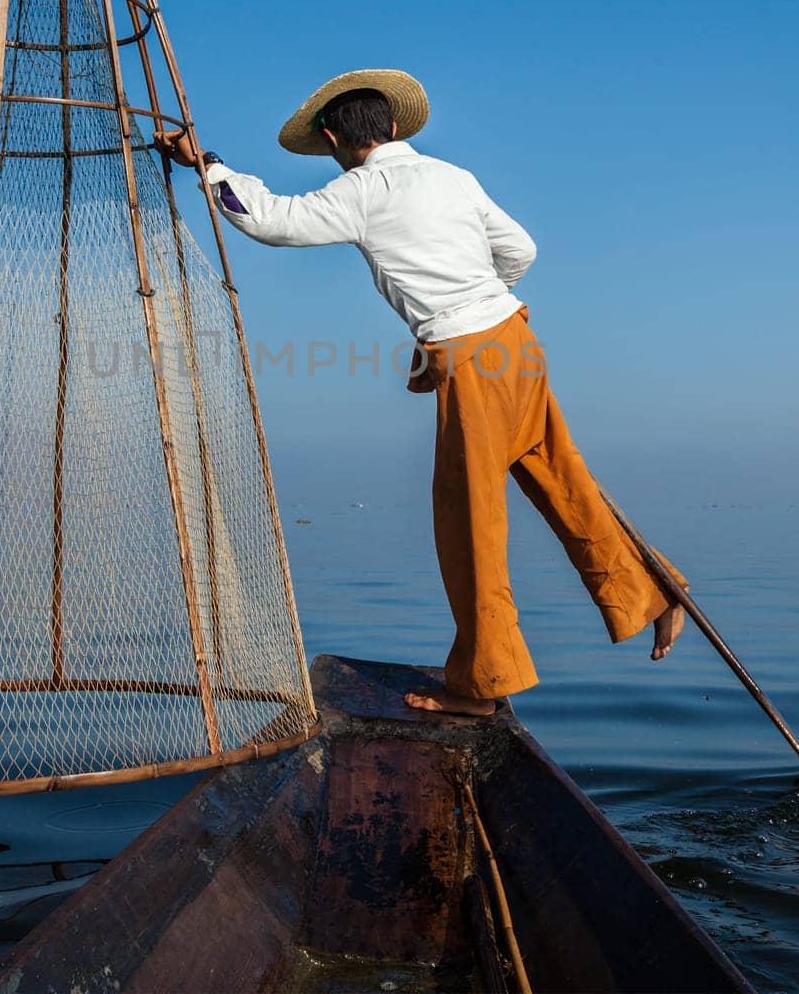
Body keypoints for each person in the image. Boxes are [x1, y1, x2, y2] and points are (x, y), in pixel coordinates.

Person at [156, 69, 685, 716]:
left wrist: (206, 166)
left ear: (332, 139)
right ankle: (651, 591)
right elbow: (521, 249)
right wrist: (480, 298)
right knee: (562, 479)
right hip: (516, 340)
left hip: (469, 360)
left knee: (471, 519)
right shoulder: (452, 176)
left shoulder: (359, 191)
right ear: (396, 128)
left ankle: (481, 686)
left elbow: (265, 219)